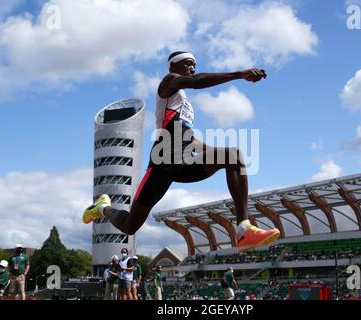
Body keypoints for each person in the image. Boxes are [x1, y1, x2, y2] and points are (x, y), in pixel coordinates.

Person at [83, 51, 281, 252]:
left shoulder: (185, 106)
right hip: (163, 162)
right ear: (173, 67)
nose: (192, 68)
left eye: (194, 64)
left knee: (233, 156)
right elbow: (195, 81)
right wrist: (239, 74)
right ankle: (102, 208)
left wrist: (219, 153)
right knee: (129, 227)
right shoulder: (168, 83)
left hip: (184, 162)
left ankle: (243, 230)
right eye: (188, 64)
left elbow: (190, 140)